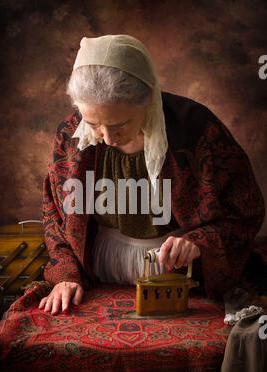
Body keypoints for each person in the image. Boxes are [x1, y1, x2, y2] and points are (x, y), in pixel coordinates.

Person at [39, 34, 265, 316]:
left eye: (120, 123)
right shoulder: (70, 135)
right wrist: (65, 276)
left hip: (184, 279)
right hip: (98, 274)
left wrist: (198, 242)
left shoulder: (197, 129)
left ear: (147, 99)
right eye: (94, 123)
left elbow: (246, 212)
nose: (108, 138)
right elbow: (55, 218)